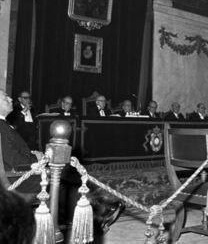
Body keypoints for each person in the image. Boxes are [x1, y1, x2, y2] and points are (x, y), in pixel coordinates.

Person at [0, 89, 124, 233]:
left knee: (68, 172)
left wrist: (34, 155)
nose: (10, 99)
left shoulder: (4, 124)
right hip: (17, 179)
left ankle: (98, 208)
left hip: (24, 171)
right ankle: (97, 214)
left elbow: (13, 153)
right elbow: (13, 160)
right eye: (5, 97)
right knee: (63, 178)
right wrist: (37, 158)